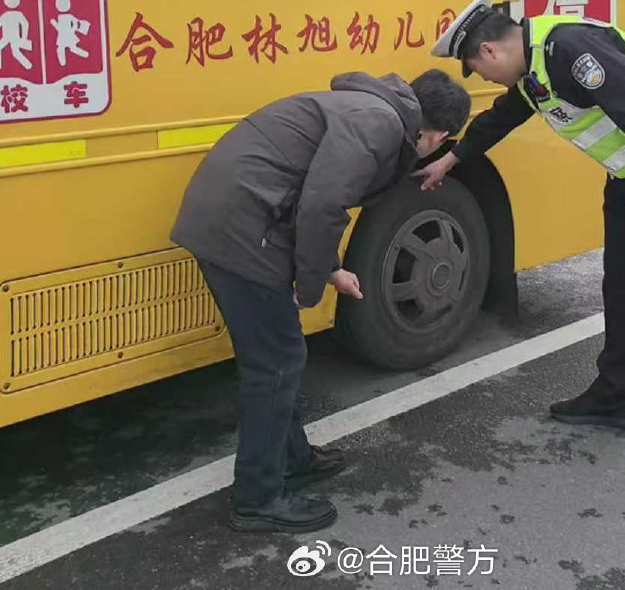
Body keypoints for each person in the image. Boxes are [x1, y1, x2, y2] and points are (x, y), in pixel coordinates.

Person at [418, 0, 625, 478]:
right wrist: (452, 160)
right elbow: (504, 115)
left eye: (479, 70)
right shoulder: (535, 64)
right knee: (624, 290)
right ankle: (614, 397)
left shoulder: (570, 50)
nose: (487, 81)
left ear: (491, 51)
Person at [171, 69, 471, 532]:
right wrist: (310, 286)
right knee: (275, 362)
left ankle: (293, 457)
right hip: (242, 226)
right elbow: (322, 204)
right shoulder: (380, 123)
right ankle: (258, 499)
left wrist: (328, 269)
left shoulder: (375, 110)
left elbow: (314, 193)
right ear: (439, 136)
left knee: (280, 355)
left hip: (240, 216)